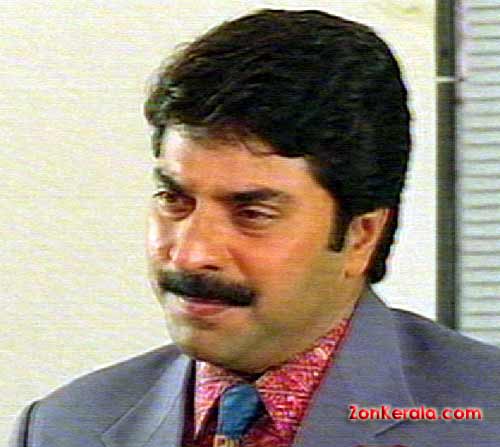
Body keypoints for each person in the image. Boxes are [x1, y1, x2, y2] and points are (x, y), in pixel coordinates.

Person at [10, 9, 500, 447]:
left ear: (360, 236)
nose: (190, 254)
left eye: (251, 214)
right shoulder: (61, 428)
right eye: (175, 200)